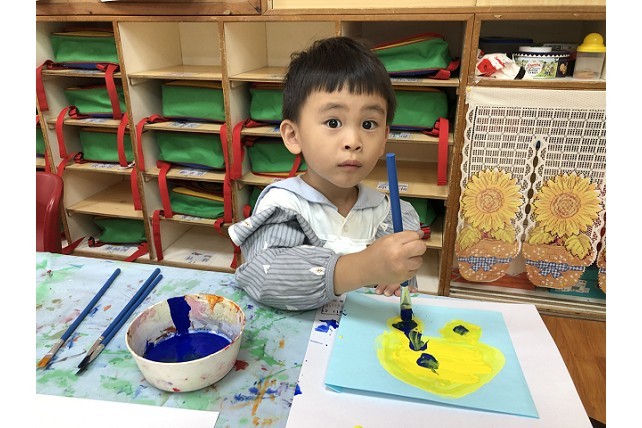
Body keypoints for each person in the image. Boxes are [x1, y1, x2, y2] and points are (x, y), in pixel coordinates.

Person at [228, 36, 426, 311]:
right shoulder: (284, 205)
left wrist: (400, 276)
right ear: (293, 135)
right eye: (333, 122)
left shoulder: (390, 213)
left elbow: (404, 285)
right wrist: (364, 267)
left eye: (369, 124)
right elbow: (265, 275)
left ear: (384, 138)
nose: (353, 141)